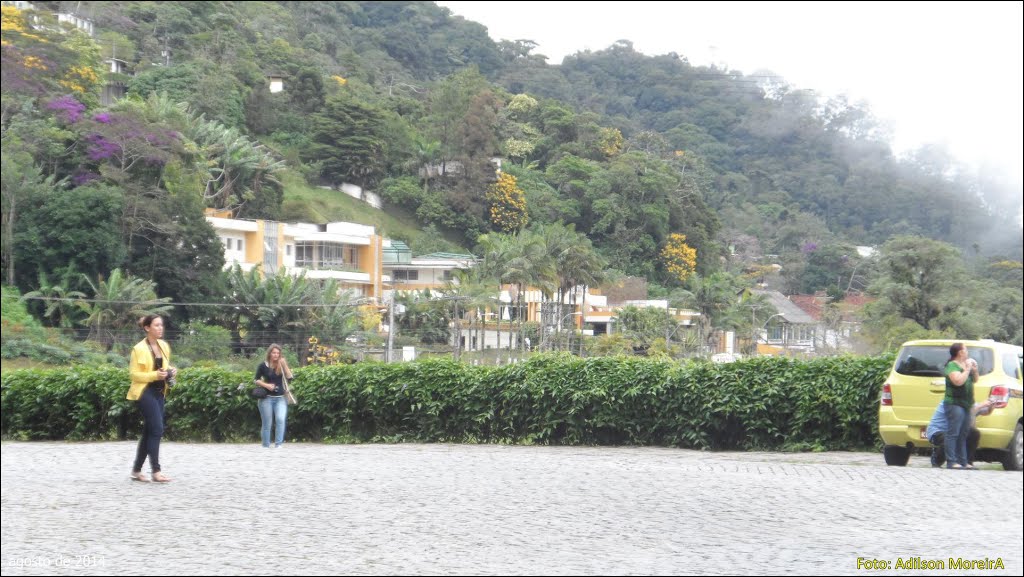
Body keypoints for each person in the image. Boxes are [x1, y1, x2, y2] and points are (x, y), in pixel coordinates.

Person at [127, 314, 174, 482]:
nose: (160, 328)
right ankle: (156, 471)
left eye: (161, 325)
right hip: (144, 391)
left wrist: (170, 371)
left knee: (149, 432)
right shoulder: (138, 349)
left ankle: (136, 470)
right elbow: (134, 375)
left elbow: (164, 367)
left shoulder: (163, 345)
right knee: (157, 429)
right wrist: (155, 375)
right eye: (156, 325)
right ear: (147, 328)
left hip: (160, 391)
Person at [942, 342, 979, 469]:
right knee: (953, 433)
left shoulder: (965, 364)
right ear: (960, 352)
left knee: (964, 433)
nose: (967, 352)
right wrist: (967, 369)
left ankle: (963, 461)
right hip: (954, 403)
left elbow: (975, 380)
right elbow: (957, 381)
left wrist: (974, 370)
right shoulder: (952, 366)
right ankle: (951, 461)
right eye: (966, 350)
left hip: (966, 404)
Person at [926, 400, 995, 467]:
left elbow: (986, 412)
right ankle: (936, 460)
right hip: (937, 432)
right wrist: (979, 406)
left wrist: (991, 406)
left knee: (974, 433)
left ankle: (967, 462)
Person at [255, 344, 293, 448]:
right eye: (274, 353)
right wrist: (266, 385)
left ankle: (278, 444)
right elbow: (256, 380)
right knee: (267, 423)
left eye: (278, 353)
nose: (276, 355)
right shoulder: (263, 365)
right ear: (270, 353)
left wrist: (284, 365)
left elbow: (290, 378)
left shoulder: (281, 364)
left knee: (280, 419)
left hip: (280, 398)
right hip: (266, 398)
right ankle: (266, 445)